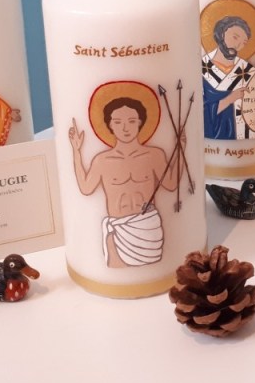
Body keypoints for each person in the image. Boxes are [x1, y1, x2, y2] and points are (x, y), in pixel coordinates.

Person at [68, 97, 176, 268]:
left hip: (147, 227)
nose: (125, 128)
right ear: (110, 125)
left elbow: (171, 184)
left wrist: (180, 149)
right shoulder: (102, 160)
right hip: (118, 228)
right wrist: (76, 151)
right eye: (118, 122)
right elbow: (86, 188)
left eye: (131, 121)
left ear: (140, 123)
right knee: (115, 267)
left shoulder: (153, 155)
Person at [201, 15, 255, 139]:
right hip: (222, 134)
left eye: (243, 43)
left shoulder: (248, 70)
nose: (237, 45)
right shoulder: (202, 69)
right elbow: (200, 112)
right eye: (235, 37)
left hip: (250, 132)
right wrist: (230, 99)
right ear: (221, 34)